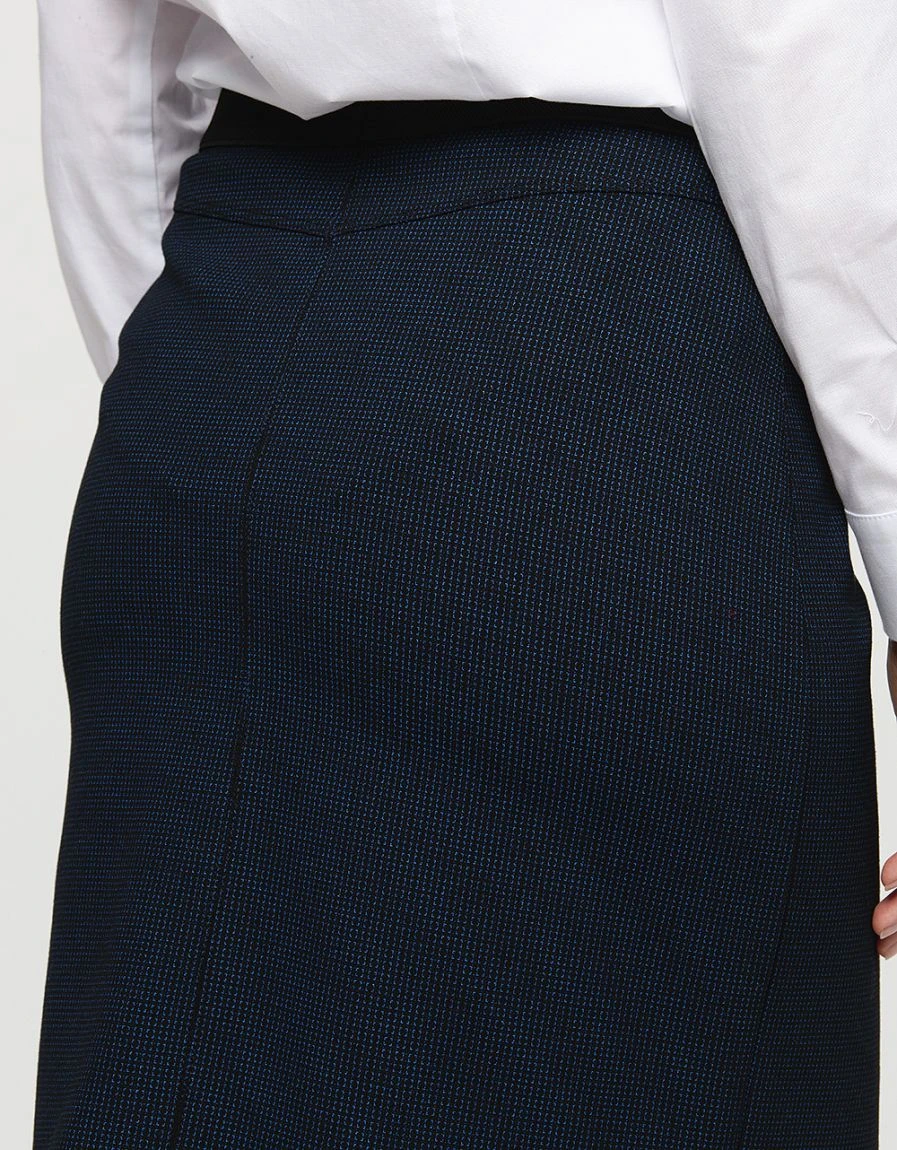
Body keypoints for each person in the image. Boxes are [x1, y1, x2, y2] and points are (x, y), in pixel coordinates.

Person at [30, 1, 897, 1146]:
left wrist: (197, 400)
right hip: (610, 365)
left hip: (235, 328)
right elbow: (789, 55)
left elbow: (102, 60)